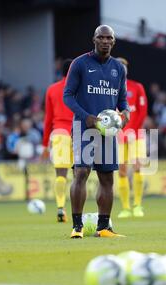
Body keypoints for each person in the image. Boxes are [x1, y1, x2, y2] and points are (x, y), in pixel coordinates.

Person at [63, 25, 130, 238]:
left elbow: (122, 100)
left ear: (114, 41)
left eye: (109, 37)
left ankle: (103, 228)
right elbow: (68, 95)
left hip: (108, 131)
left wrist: (126, 112)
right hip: (84, 128)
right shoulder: (80, 63)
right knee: (81, 172)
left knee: (107, 179)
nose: (105, 41)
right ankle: (77, 227)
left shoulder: (118, 69)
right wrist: (86, 117)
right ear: (94, 39)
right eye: (101, 37)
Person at [41, 59, 74, 223]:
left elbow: (48, 119)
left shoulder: (52, 89)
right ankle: (77, 211)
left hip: (59, 133)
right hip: (78, 133)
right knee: (79, 175)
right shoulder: (80, 88)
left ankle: (61, 207)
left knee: (61, 174)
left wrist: (44, 145)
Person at [115, 57, 148, 219]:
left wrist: (133, 130)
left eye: (124, 66)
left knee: (137, 167)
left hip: (136, 135)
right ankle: (126, 208)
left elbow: (142, 112)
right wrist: (118, 131)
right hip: (119, 136)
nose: (122, 68)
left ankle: (138, 205)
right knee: (121, 171)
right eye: (119, 65)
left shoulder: (137, 87)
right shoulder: (110, 89)